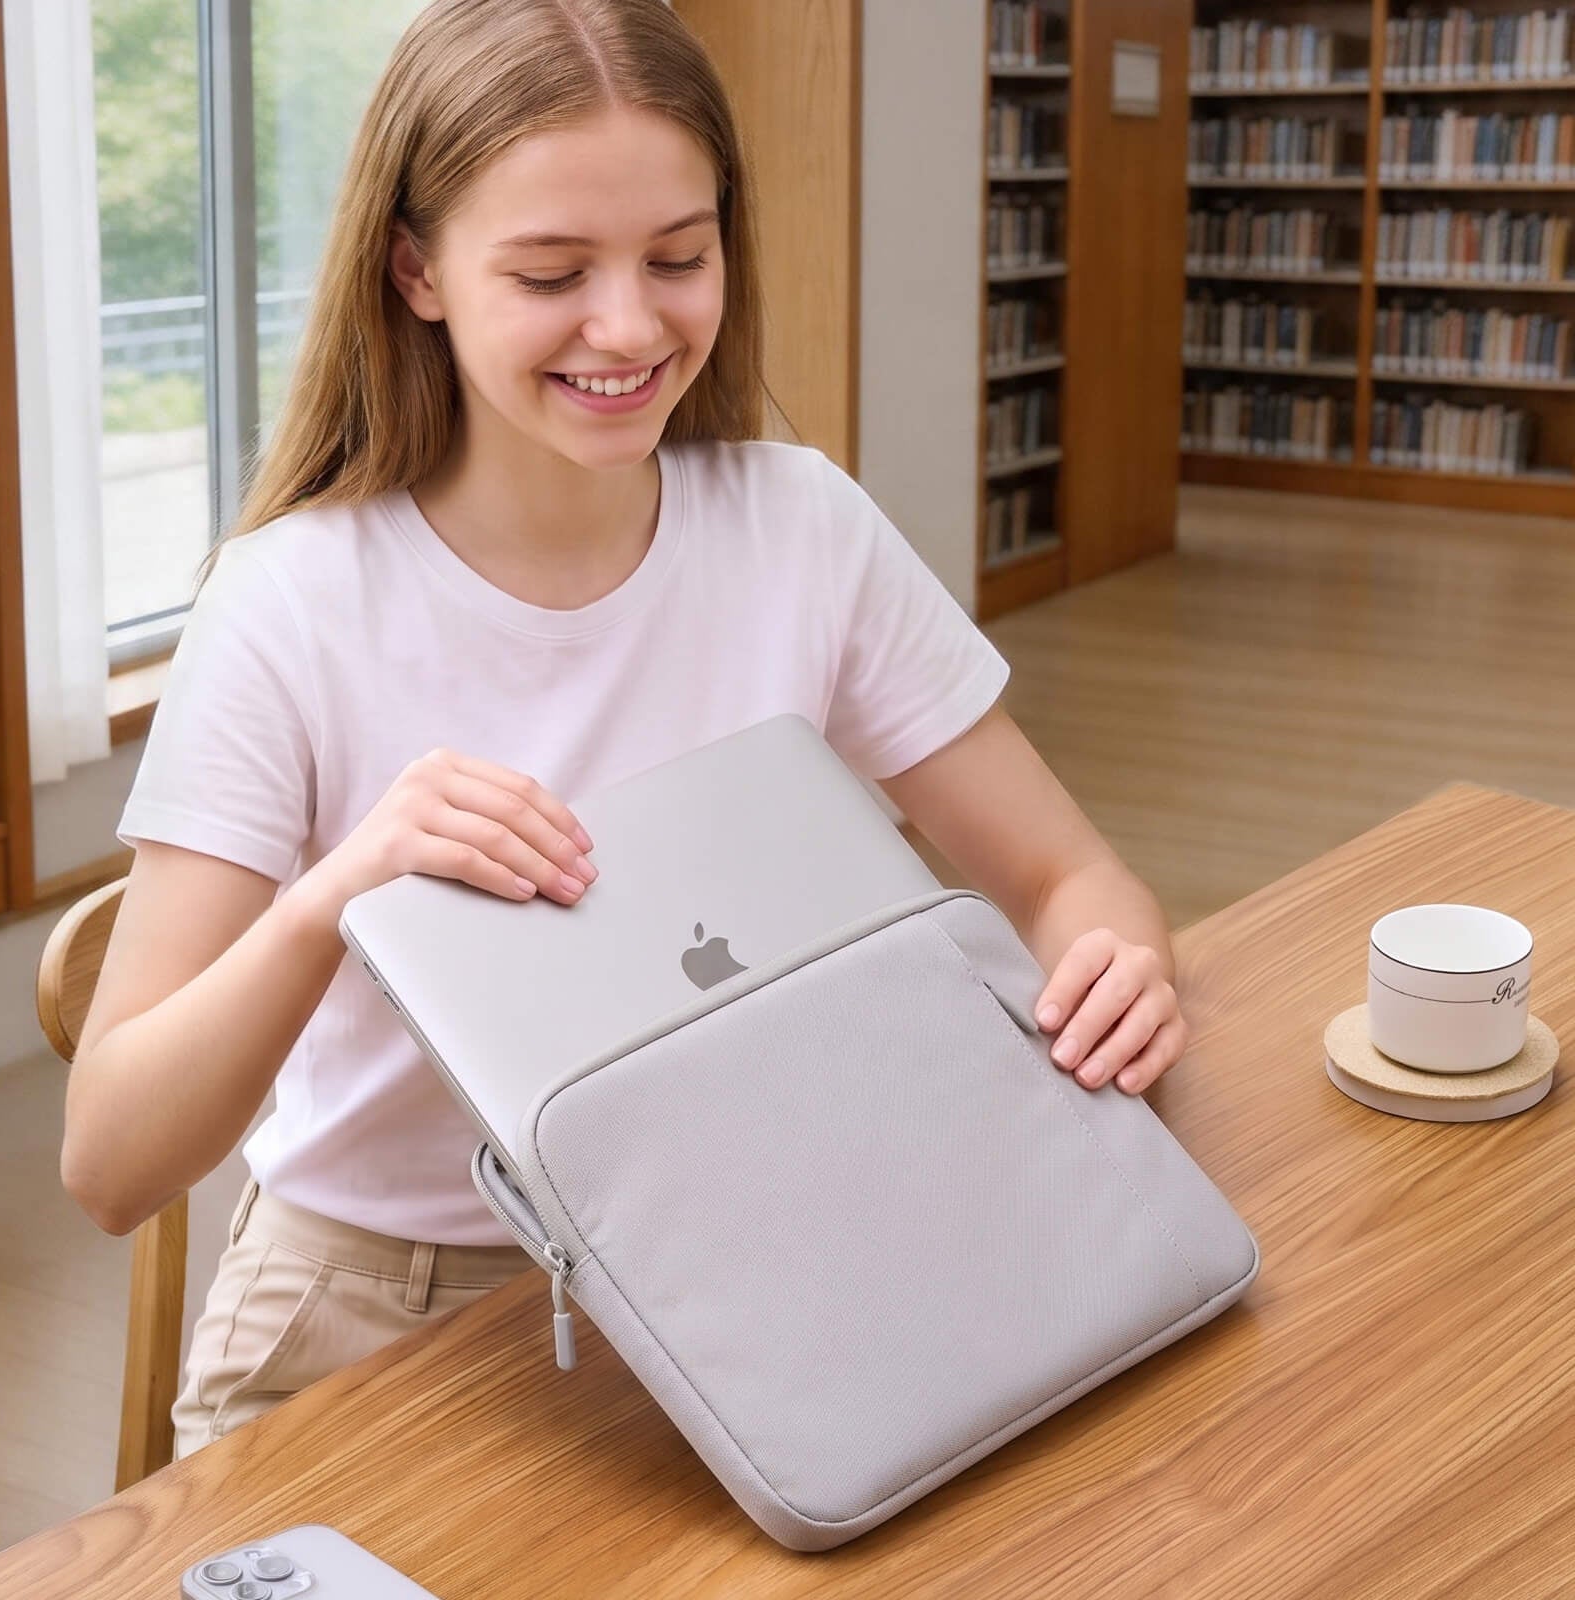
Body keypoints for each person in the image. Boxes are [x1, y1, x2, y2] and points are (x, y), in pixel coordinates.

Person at [61, 0, 1188, 1457]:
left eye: (678, 257)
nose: (631, 326)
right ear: (416, 271)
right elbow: (109, 1164)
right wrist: (336, 900)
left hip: (764, 1258)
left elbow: (1067, 879)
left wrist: (1119, 968)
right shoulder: (289, 604)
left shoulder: (802, 529)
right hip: (385, 1312)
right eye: (551, 273)